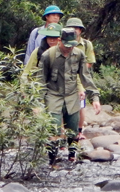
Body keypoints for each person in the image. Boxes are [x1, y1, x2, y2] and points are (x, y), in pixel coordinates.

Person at [39, 27, 101, 164]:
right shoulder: (48, 55)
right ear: (60, 41)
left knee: (73, 129)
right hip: (53, 95)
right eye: (67, 46)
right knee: (53, 128)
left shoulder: (79, 54)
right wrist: (37, 103)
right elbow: (41, 80)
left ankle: (72, 157)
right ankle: (52, 161)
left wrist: (95, 97)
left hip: (72, 96)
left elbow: (86, 77)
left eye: (72, 45)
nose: (69, 49)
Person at [65, 17, 96, 139]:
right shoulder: (62, 42)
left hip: (80, 77)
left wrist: (77, 67)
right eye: (71, 28)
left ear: (80, 30)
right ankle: (63, 133)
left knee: (81, 105)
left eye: (77, 28)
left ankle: (79, 130)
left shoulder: (86, 45)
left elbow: (90, 62)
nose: (75, 31)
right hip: (65, 77)